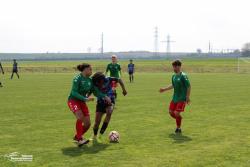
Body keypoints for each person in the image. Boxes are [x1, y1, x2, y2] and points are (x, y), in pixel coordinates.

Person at [67, 63, 111, 147]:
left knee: (87, 124)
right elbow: (74, 92)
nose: (91, 71)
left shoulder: (90, 81)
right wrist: (85, 99)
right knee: (79, 117)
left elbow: (96, 92)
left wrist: (105, 96)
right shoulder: (77, 79)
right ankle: (80, 139)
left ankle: (77, 137)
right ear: (85, 70)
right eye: (90, 69)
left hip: (82, 102)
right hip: (73, 100)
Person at [91, 72, 127, 140]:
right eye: (97, 82)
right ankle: (95, 135)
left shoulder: (108, 79)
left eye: (99, 82)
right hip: (100, 102)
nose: (98, 84)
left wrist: (124, 90)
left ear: (102, 80)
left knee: (109, 112)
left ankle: (101, 133)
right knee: (97, 123)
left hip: (110, 100)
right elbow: (92, 90)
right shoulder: (95, 82)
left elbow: (119, 80)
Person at [159, 60, 191, 133]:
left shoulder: (183, 76)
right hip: (175, 98)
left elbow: (188, 86)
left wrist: (187, 97)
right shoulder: (173, 76)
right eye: (173, 67)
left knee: (176, 113)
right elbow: (173, 85)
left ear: (179, 67)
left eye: (175, 67)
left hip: (182, 98)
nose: (173, 68)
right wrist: (164, 89)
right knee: (171, 112)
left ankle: (178, 128)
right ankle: (179, 118)